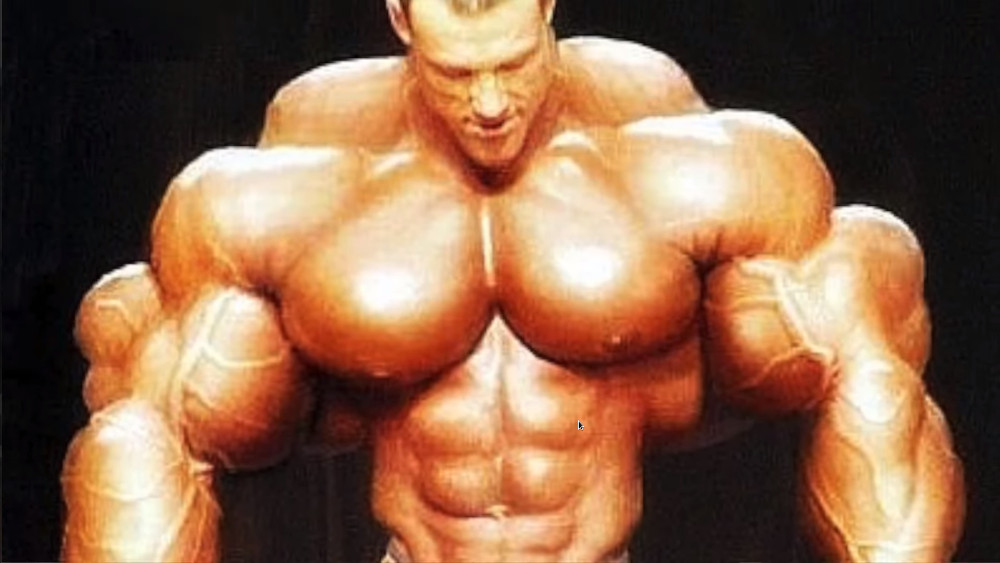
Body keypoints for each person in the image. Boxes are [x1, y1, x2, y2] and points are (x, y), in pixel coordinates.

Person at [61, 0, 965, 561]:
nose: (490, 104)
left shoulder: (688, 163)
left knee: (845, 319)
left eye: (512, 65)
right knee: (160, 397)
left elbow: (870, 379)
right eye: (457, 73)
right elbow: (145, 428)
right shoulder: (294, 181)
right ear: (401, 18)